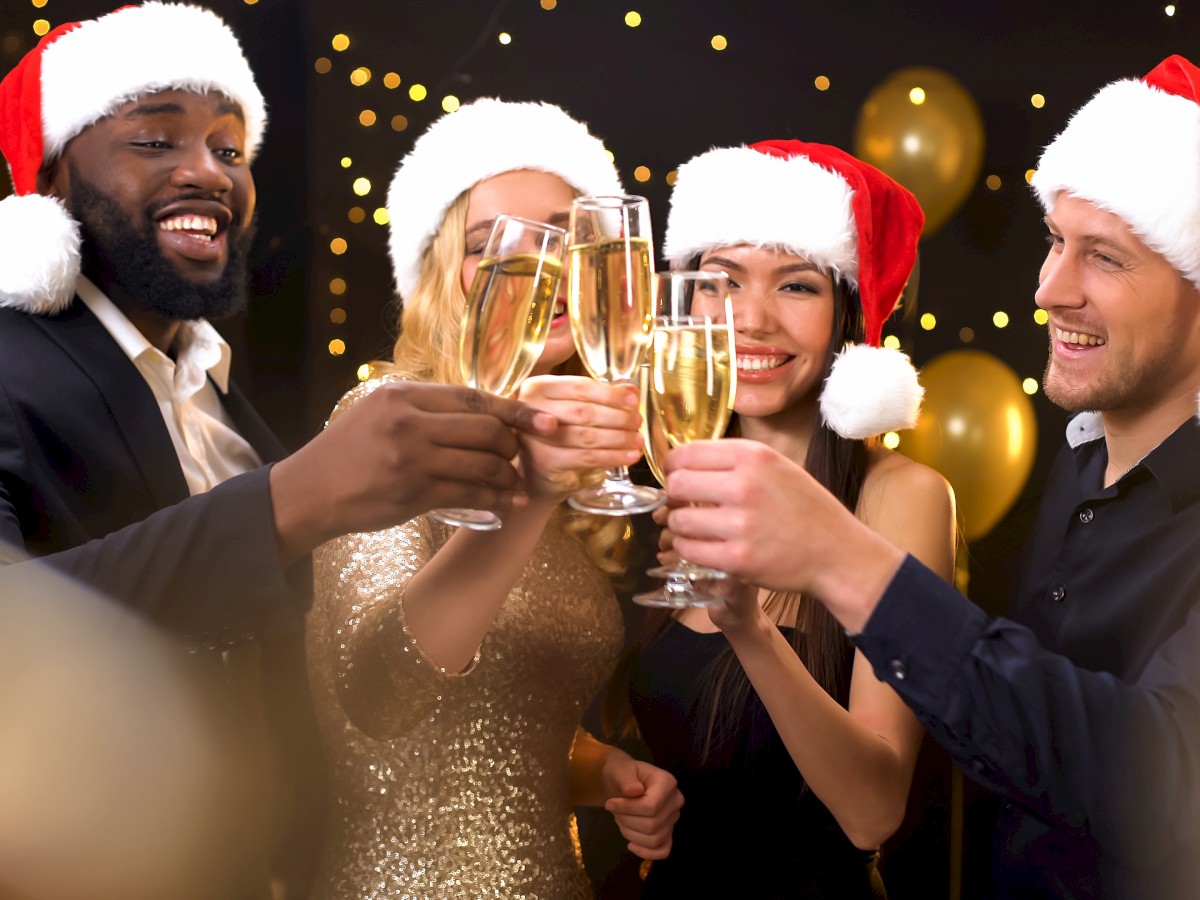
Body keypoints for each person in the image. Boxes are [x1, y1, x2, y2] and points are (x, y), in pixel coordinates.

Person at [0, 6, 560, 898]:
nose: (206, 173)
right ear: (52, 181)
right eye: (156, 140)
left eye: (229, 149)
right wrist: (293, 499)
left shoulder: (212, 393)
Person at [660, 54, 1200, 899]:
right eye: (1055, 242)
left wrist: (840, 566)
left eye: (1106, 257)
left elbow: (1161, 782)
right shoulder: (1082, 464)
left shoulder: (899, 497)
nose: (1047, 289)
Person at [304, 97, 685, 900]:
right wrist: (531, 498)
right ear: (445, 281)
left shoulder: (568, 468)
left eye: (566, 240)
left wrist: (598, 767)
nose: (540, 271)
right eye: (497, 248)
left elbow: (489, 718)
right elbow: (378, 693)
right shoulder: (389, 423)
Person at [606, 140, 957, 898]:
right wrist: (623, 787)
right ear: (684, 303)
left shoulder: (901, 498)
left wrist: (750, 628)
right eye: (720, 282)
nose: (752, 320)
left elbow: (873, 813)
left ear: (845, 314)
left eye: (796, 287)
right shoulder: (654, 482)